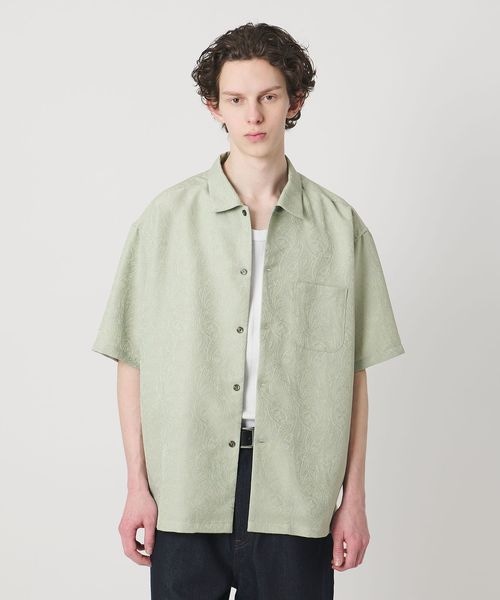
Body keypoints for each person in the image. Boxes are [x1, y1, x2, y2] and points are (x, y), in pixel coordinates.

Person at [91, 22, 405, 600]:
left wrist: (353, 499)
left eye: (268, 96)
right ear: (214, 107)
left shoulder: (341, 229)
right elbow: (132, 360)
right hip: (185, 485)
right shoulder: (165, 221)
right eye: (236, 99)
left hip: (297, 490)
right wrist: (137, 485)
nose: (253, 115)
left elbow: (354, 376)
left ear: (295, 101)